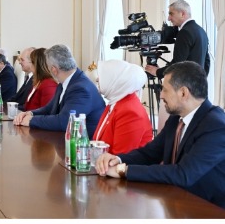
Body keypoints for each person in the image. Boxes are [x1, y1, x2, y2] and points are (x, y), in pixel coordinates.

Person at [96, 61, 225, 209]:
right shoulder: (176, 118)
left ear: (183, 93)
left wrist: (124, 170)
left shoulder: (216, 127)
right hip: (177, 203)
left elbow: (183, 174)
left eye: (165, 90)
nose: (161, 95)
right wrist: (117, 159)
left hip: (209, 211)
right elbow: (150, 153)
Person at [13, 44, 105, 138]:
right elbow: (49, 108)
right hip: (65, 138)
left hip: (83, 143)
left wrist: (31, 120)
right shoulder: (66, 81)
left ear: (54, 70)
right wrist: (30, 113)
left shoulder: (80, 88)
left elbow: (64, 121)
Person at [92, 60, 152, 154]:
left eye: (103, 76)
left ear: (114, 80)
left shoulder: (130, 112)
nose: (97, 80)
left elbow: (120, 157)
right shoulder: (115, 102)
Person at [145, 0, 210, 79]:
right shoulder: (201, 30)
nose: (169, 18)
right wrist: (201, 80)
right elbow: (207, 61)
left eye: (171, 14)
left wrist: (157, 72)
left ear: (182, 14)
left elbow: (177, 64)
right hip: (197, 83)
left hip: (185, 83)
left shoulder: (184, 32)